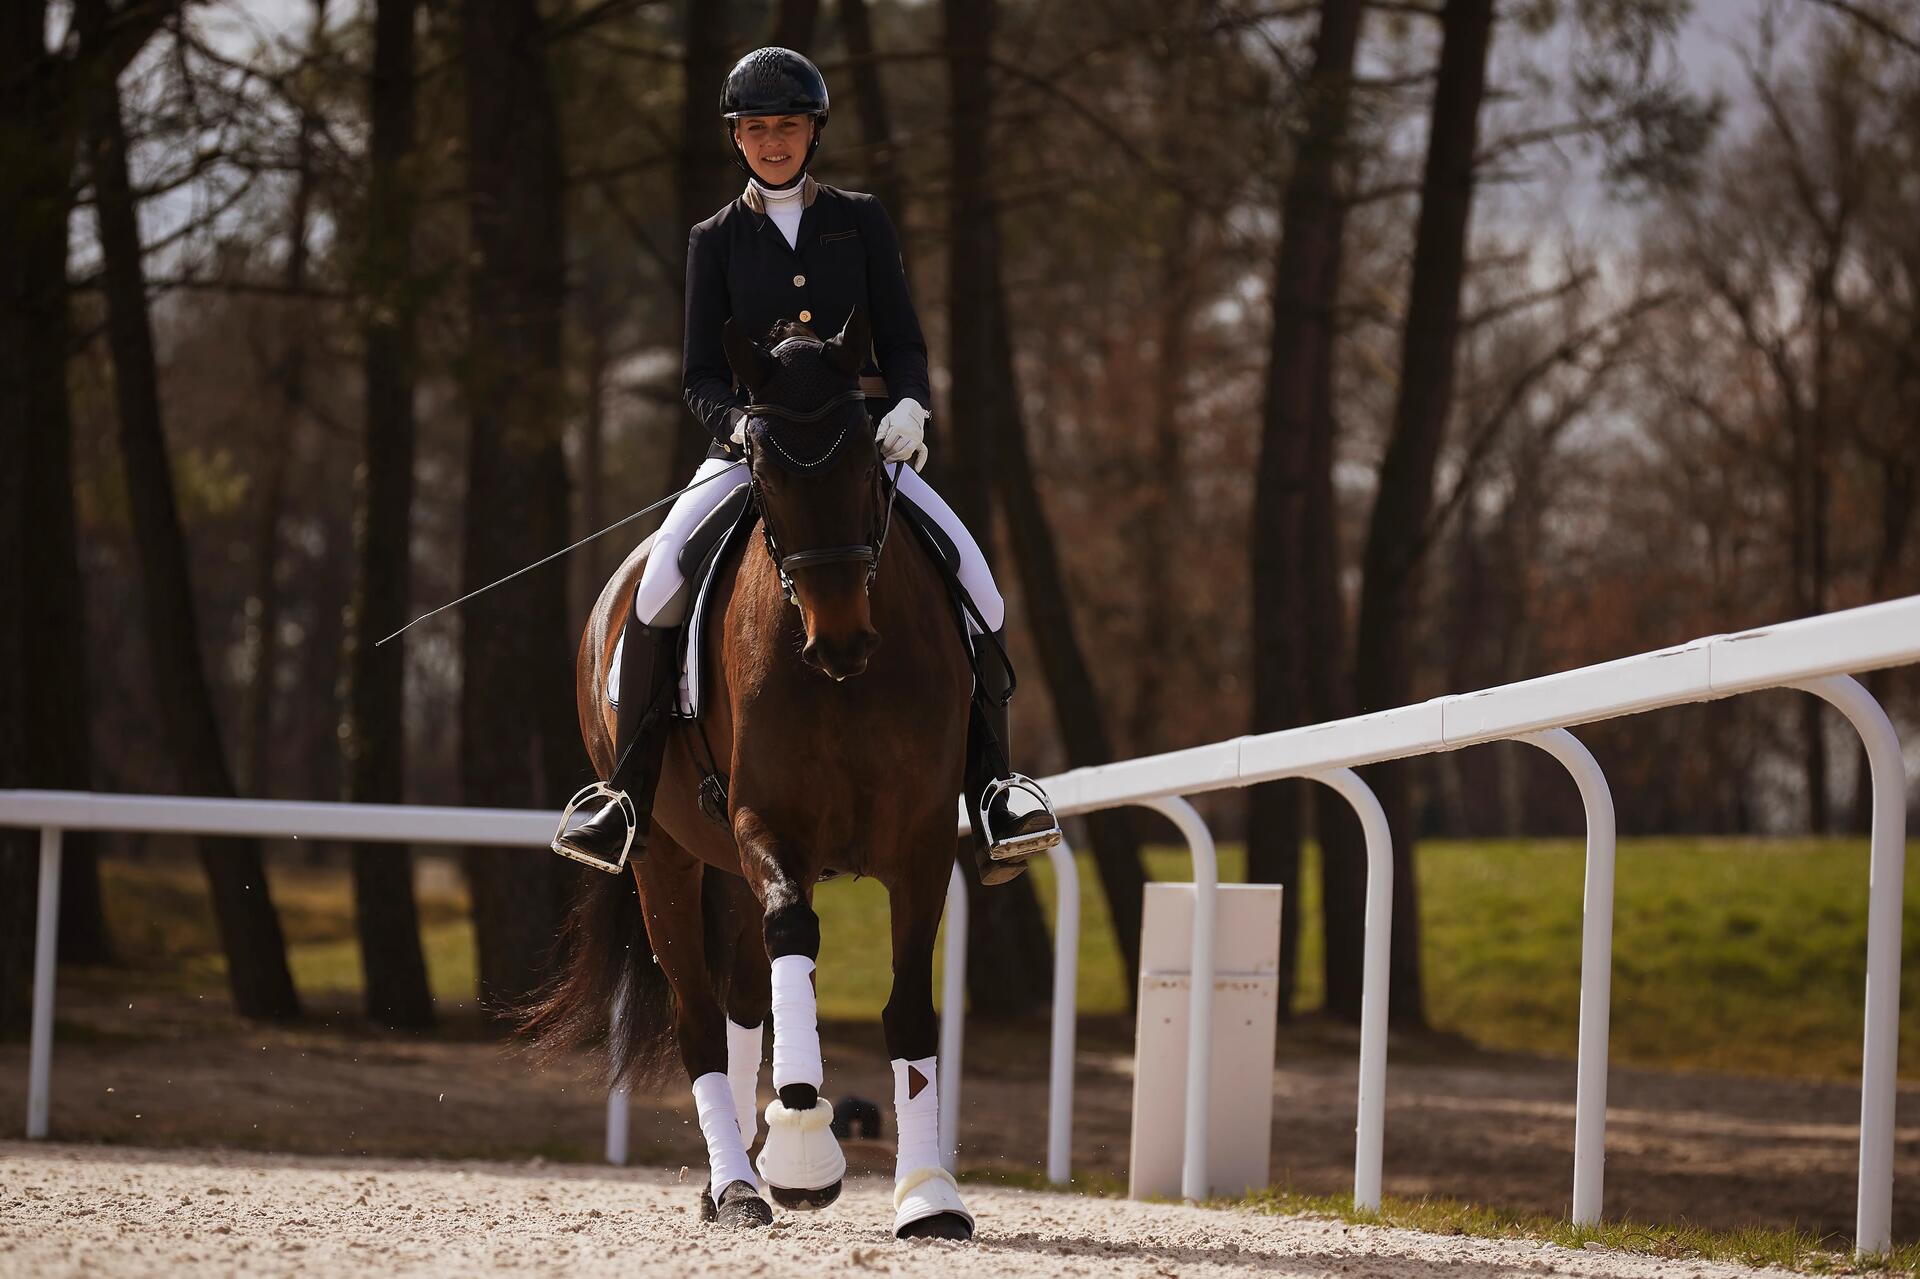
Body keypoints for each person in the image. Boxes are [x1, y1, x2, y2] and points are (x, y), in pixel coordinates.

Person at [553, 47, 1060, 885]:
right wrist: (741, 427)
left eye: (787, 126)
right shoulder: (714, 239)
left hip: (855, 446)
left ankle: (993, 787)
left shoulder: (860, 220)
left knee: (978, 580)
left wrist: (906, 405)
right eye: (757, 129)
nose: (774, 141)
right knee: (655, 587)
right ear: (737, 139)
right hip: (748, 449)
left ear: (812, 131)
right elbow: (698, 376)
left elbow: (901, 338)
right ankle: (628, 791)